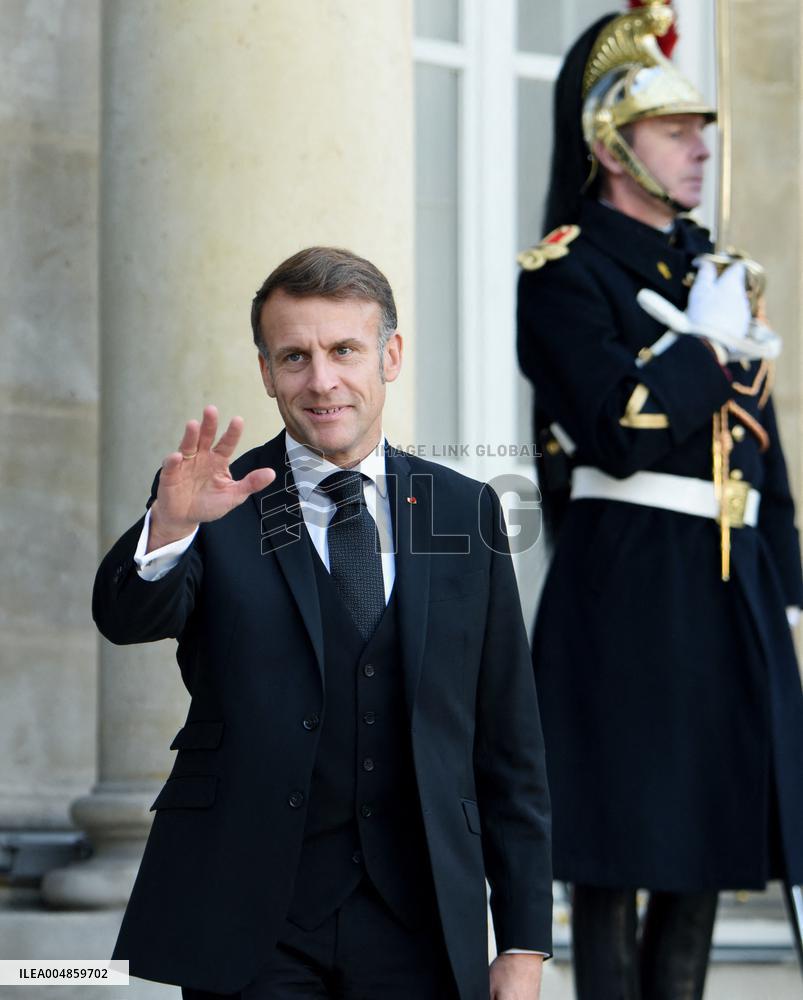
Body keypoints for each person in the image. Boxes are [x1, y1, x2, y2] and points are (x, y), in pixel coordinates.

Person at [93, 246, 552, 1000]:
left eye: (344, 350)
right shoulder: (215, 496)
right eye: (294, 357)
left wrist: (525, 941)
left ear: (390, 355)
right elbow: (126, 618)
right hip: (249, 916)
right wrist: (167, 531)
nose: (322, 380)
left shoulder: (464, 511)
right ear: (267, 373)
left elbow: (509, 740)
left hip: (421, 919)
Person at [516, 4, 803, 999]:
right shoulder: (563, 275)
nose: (698, 149)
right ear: (610, 144)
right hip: (624, 586)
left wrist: (788, 592)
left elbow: (763, 460)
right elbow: (618, 430)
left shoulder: (715, 273)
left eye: (700, 133)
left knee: (707, 857)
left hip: (730, 586)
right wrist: (701, 351)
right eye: (674, 131)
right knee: (612, 860)